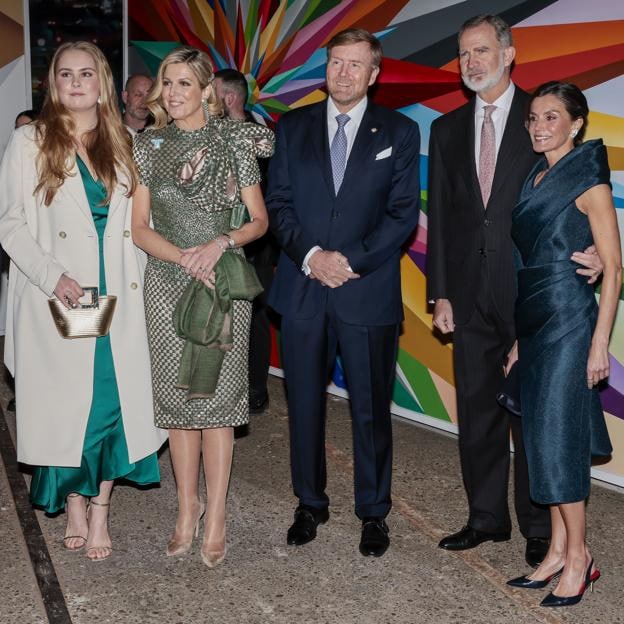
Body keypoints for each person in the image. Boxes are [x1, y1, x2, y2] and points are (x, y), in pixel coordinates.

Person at [426, 14, 603, 568]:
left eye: (481, 50)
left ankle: (537, 527)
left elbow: (578, 192)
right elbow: (445, 218)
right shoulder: (446, 129)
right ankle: (485, 519)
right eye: (463, 54)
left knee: (533, 412)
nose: (471, 62)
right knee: (476, 408)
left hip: (532, 294)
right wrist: (441, 293)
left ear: (509, 53)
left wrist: (596, 250)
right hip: (468, 292)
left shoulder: (543, 117)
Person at [0, 41, 166, 560]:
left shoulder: (127, 143)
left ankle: (100, 511)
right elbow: (11, 224)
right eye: (66, 73)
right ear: (54, 83)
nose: (76, 82)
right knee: (69, 407)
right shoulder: (30, 141)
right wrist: (54, 276)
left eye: (86, 73)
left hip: (118, 293)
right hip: (61, 295)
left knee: (111, 405)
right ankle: (75, 502)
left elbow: (145, 223)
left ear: (102, 82)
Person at [266, 28, 421, 558]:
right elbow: (278, 204)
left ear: (374, 74)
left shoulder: (399, 132)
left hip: (365, 291)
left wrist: (347, 261)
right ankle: (309, 502)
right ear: (325, 68)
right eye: (336, 63)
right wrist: (312, 257)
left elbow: (401, 216)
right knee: (304, 405)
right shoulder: (293, 126)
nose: (344, 73)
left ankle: (373, 512)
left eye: (356, 65)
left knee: (371, 410)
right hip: (303, 289)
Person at [131, 46, 274, 568]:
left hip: (222, 282)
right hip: (167, 283)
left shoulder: (235, 138)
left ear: (206, 89)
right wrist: (185, 257)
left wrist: (219, 245)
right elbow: (139, 229)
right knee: (178, 406)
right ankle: (185, 511)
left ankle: (216, 516)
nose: (172, 92)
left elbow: (259, 220)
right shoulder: (149, 145)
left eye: (183, 83)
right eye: (166, 83)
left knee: (217, 404)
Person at [506, 81, 620, 607]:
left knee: (559, 442)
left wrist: (601, 343)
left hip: (572, 324)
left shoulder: (587, 174)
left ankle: (580, 557)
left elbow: (613, 266)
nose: (539, 125)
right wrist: (517, 340)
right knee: (539, 442)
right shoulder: (537, 174)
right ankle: (555, 550)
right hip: (534, 322)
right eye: (533, 117)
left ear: (576, 123)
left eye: (552, 117)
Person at [214, 68, 277, 414]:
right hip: (218, 242)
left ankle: (256, 389)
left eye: (214, 92)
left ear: (231, 98)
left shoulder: (263, 138)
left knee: (254, 317)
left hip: (257, 246)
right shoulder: (209, 132)